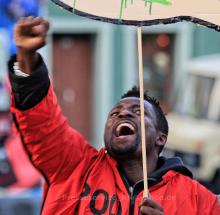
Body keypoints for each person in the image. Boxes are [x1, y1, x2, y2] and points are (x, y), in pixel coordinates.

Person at [8, 16, 220, 215]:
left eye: (139, 112)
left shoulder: (199, 200)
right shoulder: (74, 166)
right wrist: (27, 59)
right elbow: (42, 123)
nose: (124, 113)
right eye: (114, 114)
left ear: (160, 137)